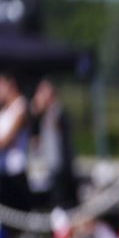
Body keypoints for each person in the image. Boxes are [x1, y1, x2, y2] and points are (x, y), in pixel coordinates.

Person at [27, 79, 77, 210]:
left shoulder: (57, 112)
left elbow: (59, 130)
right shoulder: (42, 116)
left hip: (59, 168)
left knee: (62, 205)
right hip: (44, 169)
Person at [0, 72, 30, 213]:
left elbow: (5, 141)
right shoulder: (2, 112)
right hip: (2, 172)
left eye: (0, 85)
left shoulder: (20, 107)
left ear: (11, 85)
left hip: (16, 173)